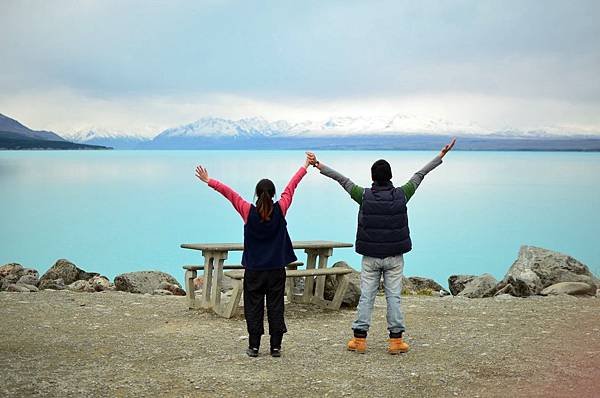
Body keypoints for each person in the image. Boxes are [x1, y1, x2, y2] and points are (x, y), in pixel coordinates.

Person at [306, 138, 456, 355]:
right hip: (394, 257)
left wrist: (318, 165)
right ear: (391, 177)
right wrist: (441, 155)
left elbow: (342, 179)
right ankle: (395, 341)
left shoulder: (364, 195)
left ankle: (359, 340)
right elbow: (420, 174)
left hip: (370, 258)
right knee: (393, 297)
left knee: (367, 296)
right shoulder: (402, 194)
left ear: (373, 177)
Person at [194, 155, 311, 357]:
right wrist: (305, 165)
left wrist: (209, 181)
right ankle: (275, 347)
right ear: (273, 194)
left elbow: (230, 194)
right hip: (276, 271)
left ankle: (254, 347)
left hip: (254, 271)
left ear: (256, 193)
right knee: (276, 307)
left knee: (253, 308)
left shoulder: (248, 211)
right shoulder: (281, 209)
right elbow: (291, 187)